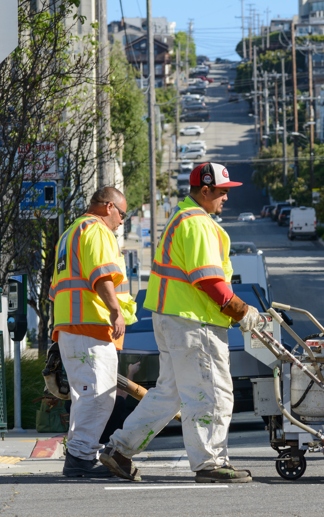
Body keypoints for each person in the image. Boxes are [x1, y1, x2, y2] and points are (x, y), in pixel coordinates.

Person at [100, 162, 265, 484]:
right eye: (222, 192)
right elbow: (208, 280)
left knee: (168, 395)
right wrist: (243, 311)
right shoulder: (198, 223)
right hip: (194, 323)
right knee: (212, 392)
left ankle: (120, 449)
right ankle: (210, 463)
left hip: (173, 319)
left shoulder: (182, 218)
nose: (226, 199)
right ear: (205, 191)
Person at [49, 186, 136, 477]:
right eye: (122, 214)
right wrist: (115, 310)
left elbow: (58, 290)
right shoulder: (96, 230)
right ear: (109, 207)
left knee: (87, 395)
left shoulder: (70, 233)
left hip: (71, 326)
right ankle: (80, 459)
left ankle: (79, 455)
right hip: (91, 325)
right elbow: (101, 276)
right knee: (98, 397)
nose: (122, 221)